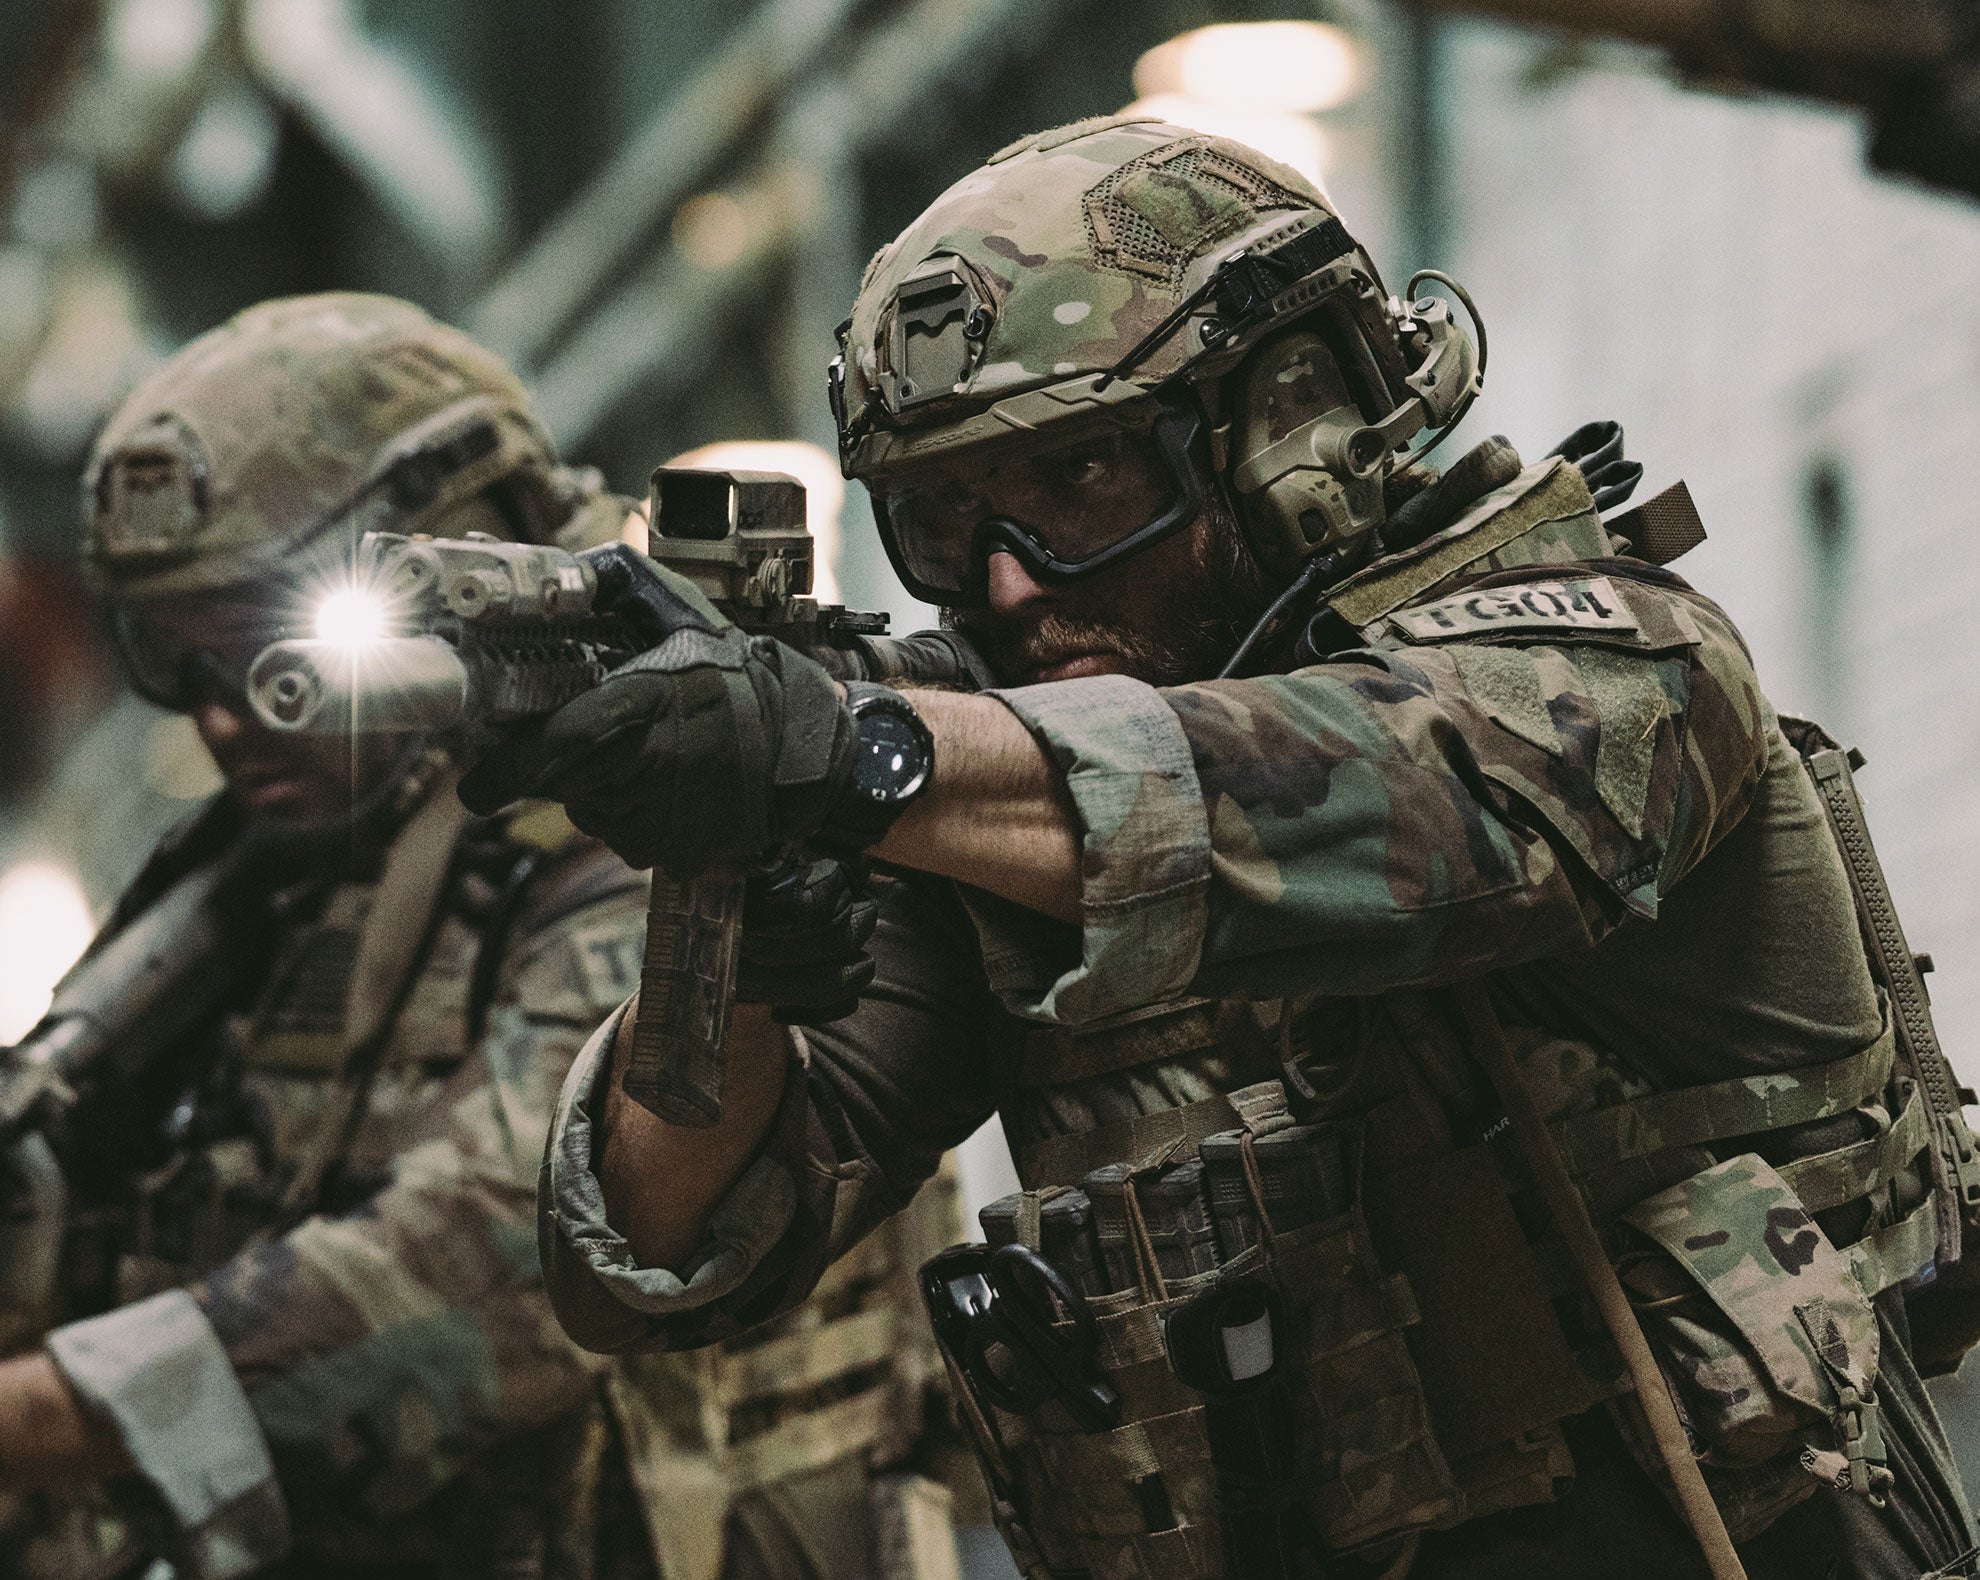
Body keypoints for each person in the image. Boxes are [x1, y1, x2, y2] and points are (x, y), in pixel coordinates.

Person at [489, 115, 1980, 1580]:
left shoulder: (1620, 665)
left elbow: (1392, 810)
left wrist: (846, 753)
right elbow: (660, 1244)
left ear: (1291, 432)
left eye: (1080, 485)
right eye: (943, 524)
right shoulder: (989, 826)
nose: (1007, 592)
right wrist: (736, 903)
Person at [0, 293, 964, 1580]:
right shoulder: (283, 869)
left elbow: (483, 1267)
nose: (226, 716)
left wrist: (40, 1416)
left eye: (257, 642)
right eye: (173, 657)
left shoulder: (656, 818)